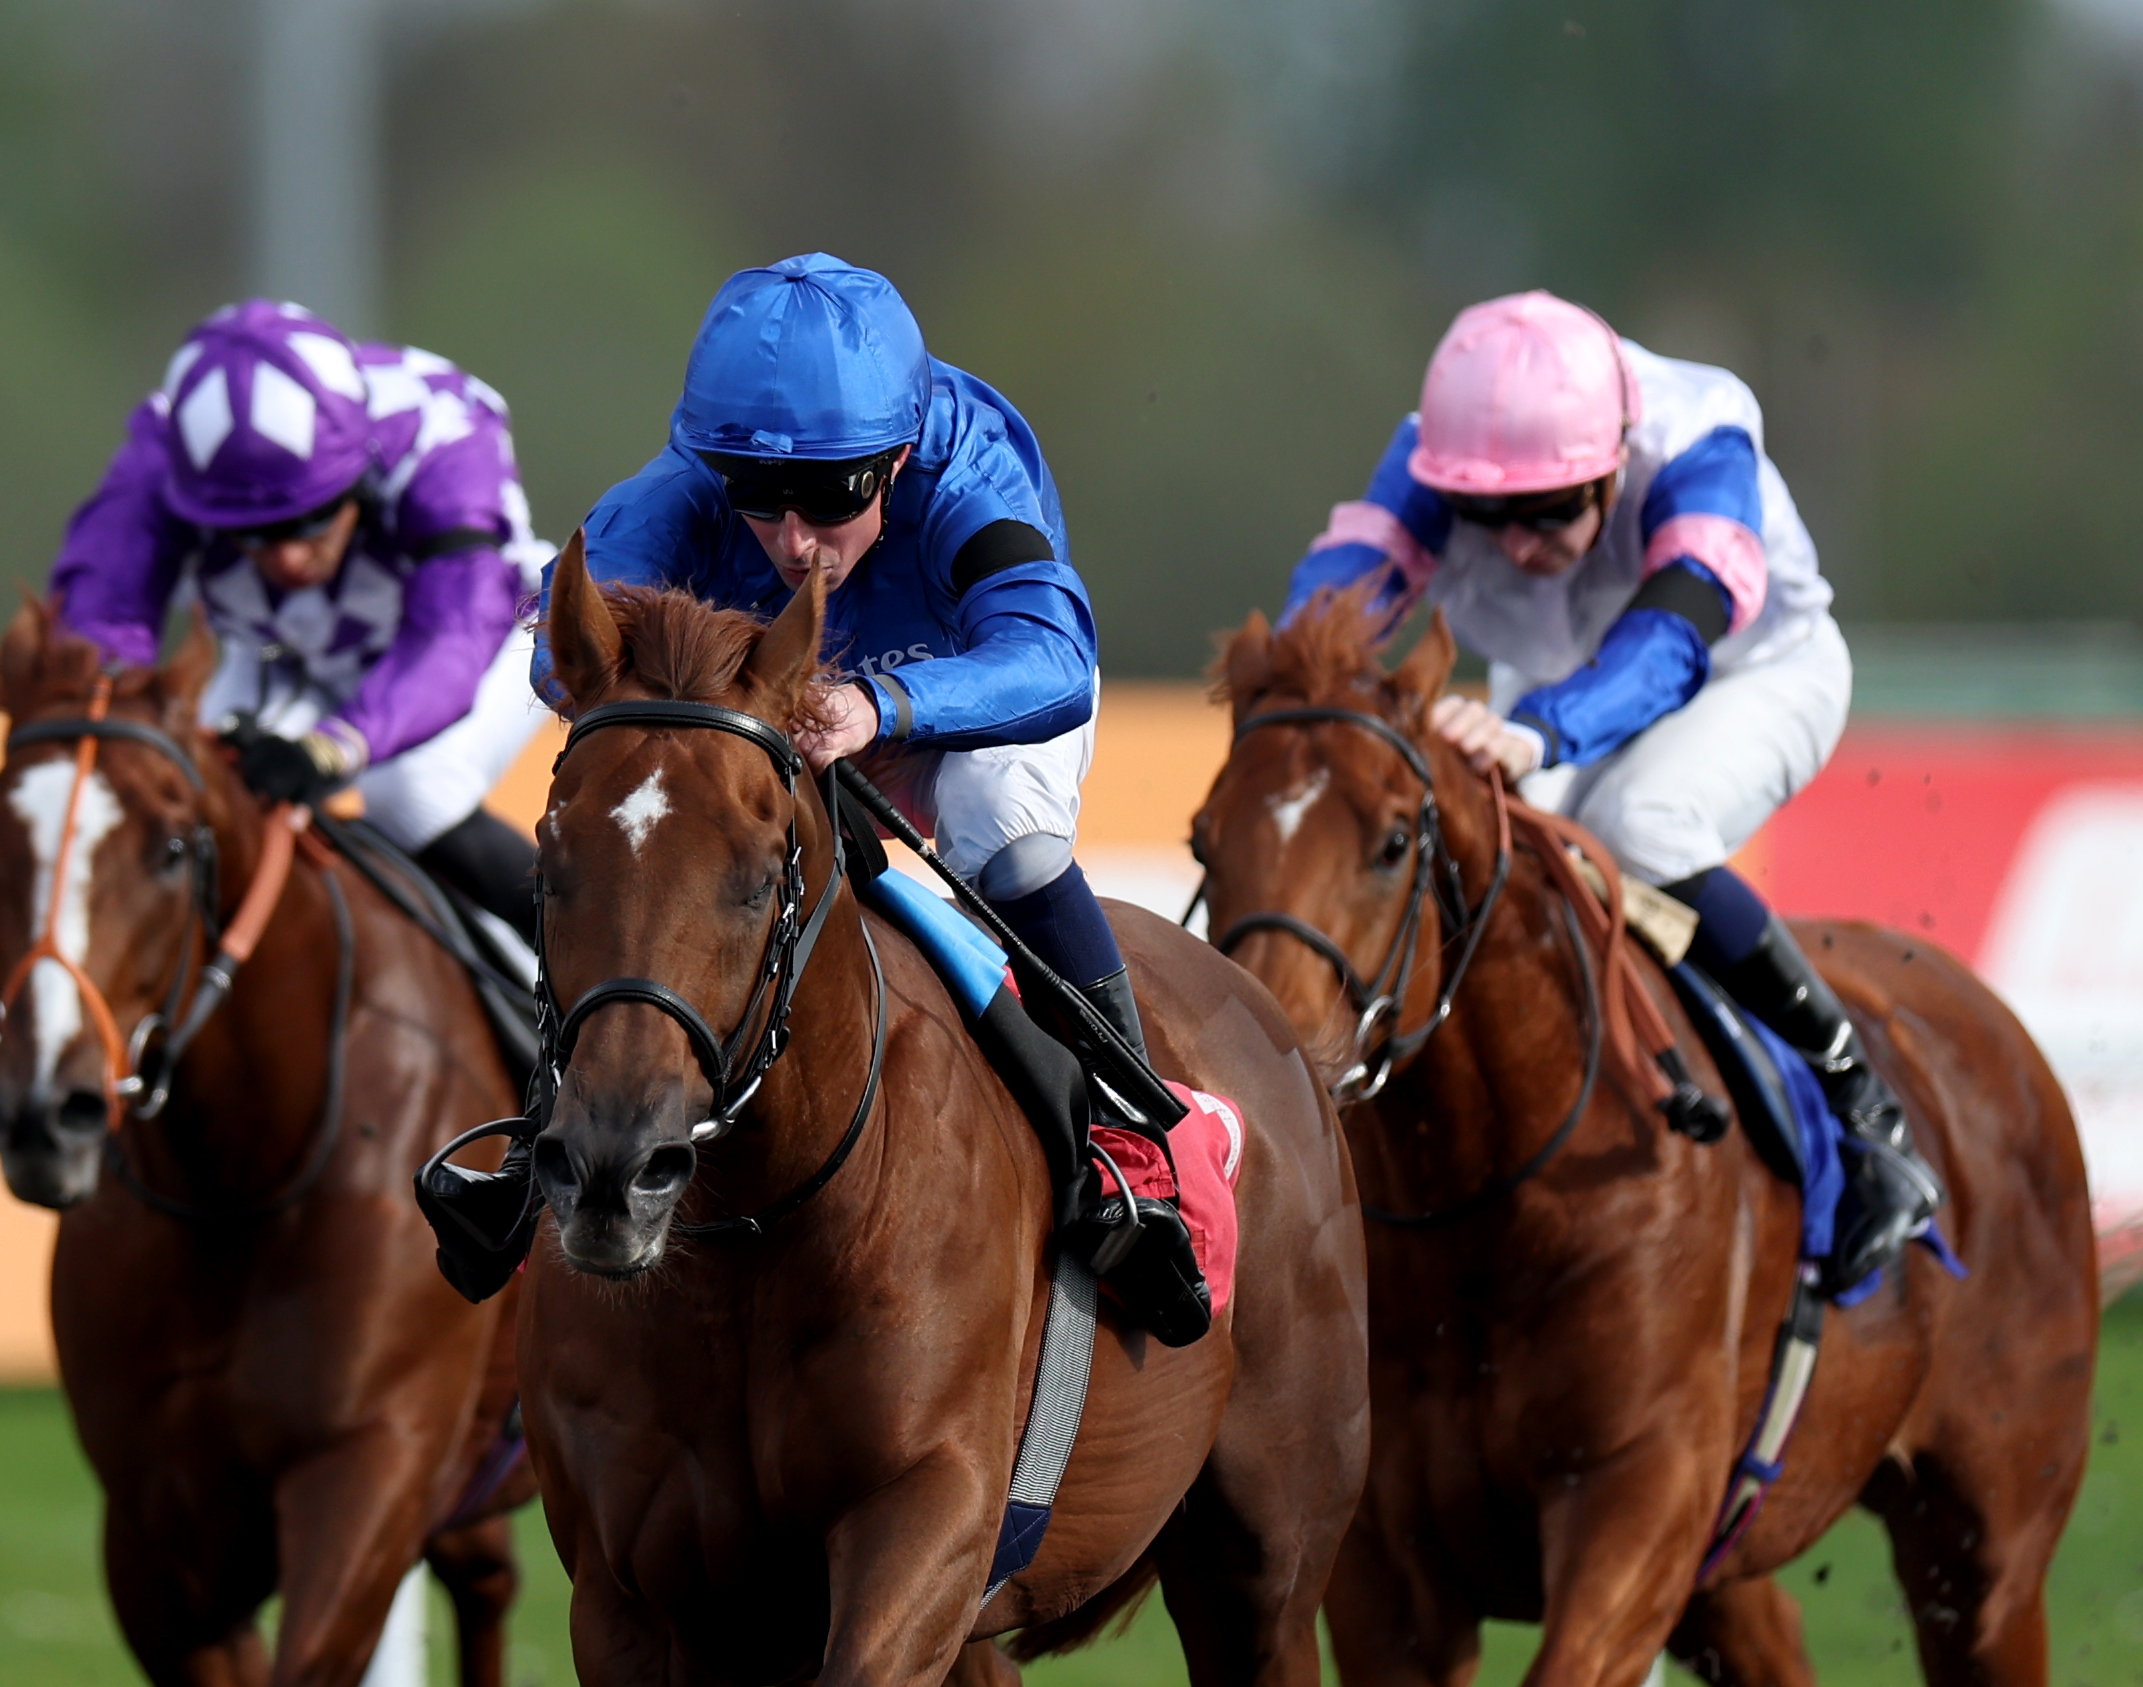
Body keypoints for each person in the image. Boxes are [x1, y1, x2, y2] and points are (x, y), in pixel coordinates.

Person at [1283, 290, 1941, 1290]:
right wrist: (1292, 689)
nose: (1515, 545)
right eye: (1486, 515)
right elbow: (1334, 605)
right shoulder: (1435, 454)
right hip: (1553, 693)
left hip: (1748, 673)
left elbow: (1671, 642)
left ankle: (1863, 1103)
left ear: (1618, 451)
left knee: (1638, 826)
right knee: (1496, 880)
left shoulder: (1699, 440)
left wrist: (1538, 732)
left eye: (1548, 511)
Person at [559, 253, 1157, 1087]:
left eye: (832, 494)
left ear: (899, 458)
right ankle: (555, 1118)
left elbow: (1053, 657)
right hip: (792, 721)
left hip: (961, 712)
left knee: (1004, 827)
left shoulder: (970, 475)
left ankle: (1133, 1107)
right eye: (759, 494)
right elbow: (565, 662)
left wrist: (881, 706)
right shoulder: (690, 481)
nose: (793, 540)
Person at [51, 299, 552, 944]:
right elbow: (102, 617)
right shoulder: (165, 452)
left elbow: (450, 638)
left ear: (362, 471)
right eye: (250, 534)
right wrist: (103, 715)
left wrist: (334, 745)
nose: (286, 557)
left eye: (311, 518)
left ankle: (579, 968)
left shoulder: (439, 432)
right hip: (289, 656)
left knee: (407, 790)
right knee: (188, 801)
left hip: (498, 633)